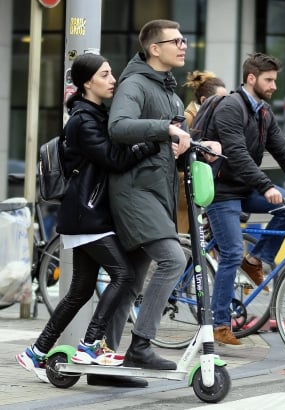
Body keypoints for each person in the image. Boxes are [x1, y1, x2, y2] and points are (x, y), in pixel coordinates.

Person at [15, 53, 159, 381]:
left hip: (85, 213)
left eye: (112, 74)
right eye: (106, 74)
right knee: (124, 276)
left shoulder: (93, 114)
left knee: (80, 291)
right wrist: (151, 144)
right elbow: (114, 159)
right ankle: (91, 344)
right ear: (87, 83)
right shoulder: (83, 120)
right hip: (86, 214)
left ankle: (35, 352)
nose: (113, 80)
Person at [106, 19, 221, 371]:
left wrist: (202, 148)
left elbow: (177, 147)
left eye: (184, 39)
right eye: (176, 40)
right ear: (155, 48)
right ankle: (140, 345)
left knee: (132, 278)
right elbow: (118, 127)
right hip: (134, 190)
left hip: (158, 192)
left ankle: (105, 353)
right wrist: (165, 129)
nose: (184, 45)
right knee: (173, 258)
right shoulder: (136, 83)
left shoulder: (169, 92)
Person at [205, 52, 285, 346]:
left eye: (275, 80)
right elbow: (236, 153)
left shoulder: (263, 113)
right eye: (269, 80)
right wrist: (264, 185)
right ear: (251, 78)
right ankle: (219, 324)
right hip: (221, 191)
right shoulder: (231, 108)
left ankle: (256, 259)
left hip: (245, 188)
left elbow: (284, 152)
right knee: (231, 252)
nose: (274, 86)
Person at [177, 71, 227, 234]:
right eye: (221, 100)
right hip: (187, 185)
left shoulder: (209, 116)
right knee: (187, 238)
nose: (226, 105)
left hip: (201, 183)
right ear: (205, 100)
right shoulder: (188, 117)